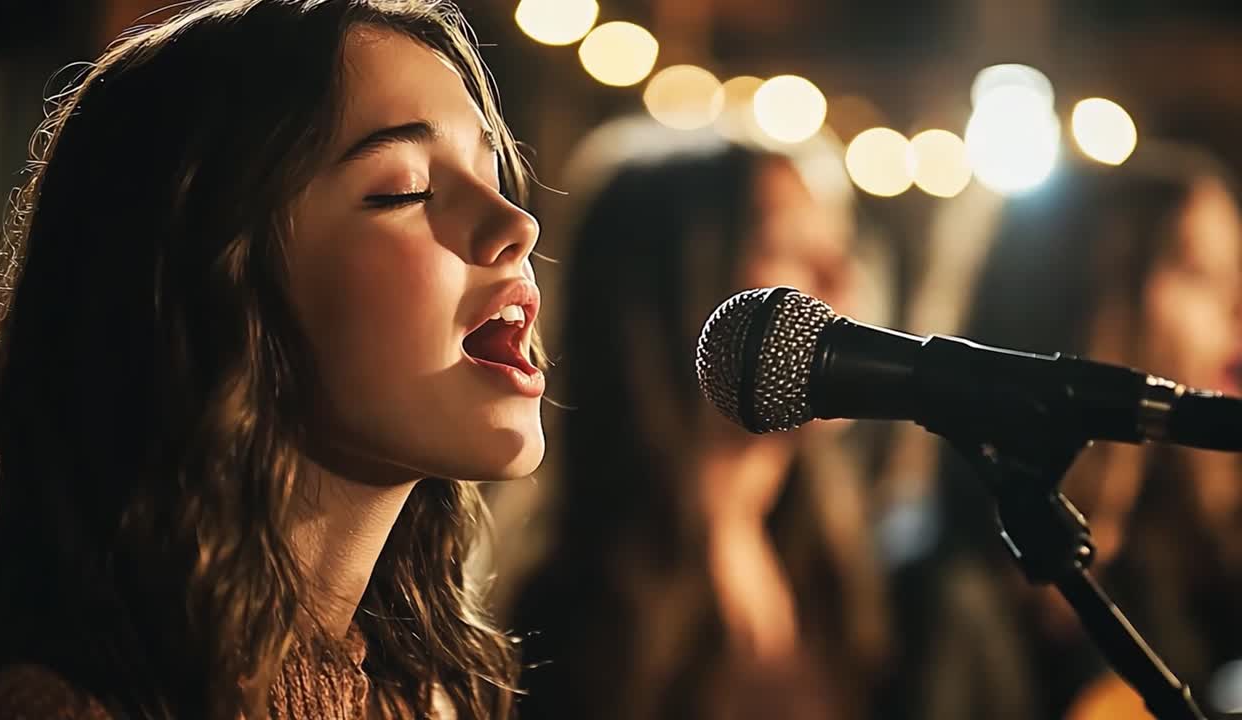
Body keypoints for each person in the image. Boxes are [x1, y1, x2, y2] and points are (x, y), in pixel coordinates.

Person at [0, 1, 545, 718]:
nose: (518, 224)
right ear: (206, 285)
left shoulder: (432, 696)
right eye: (405, 189)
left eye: (493, 174)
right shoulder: (55, 705)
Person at [510, 129, 891, 720]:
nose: (842, 284)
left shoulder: (827, 561)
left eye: (840, 244)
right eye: (788, 245)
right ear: (667, 297)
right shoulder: (560, 618)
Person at [887, 141, 1242, 720]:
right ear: (1091, 295)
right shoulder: (946, 593)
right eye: (1200, 273)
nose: (1237, 309)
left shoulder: (1177, 549)